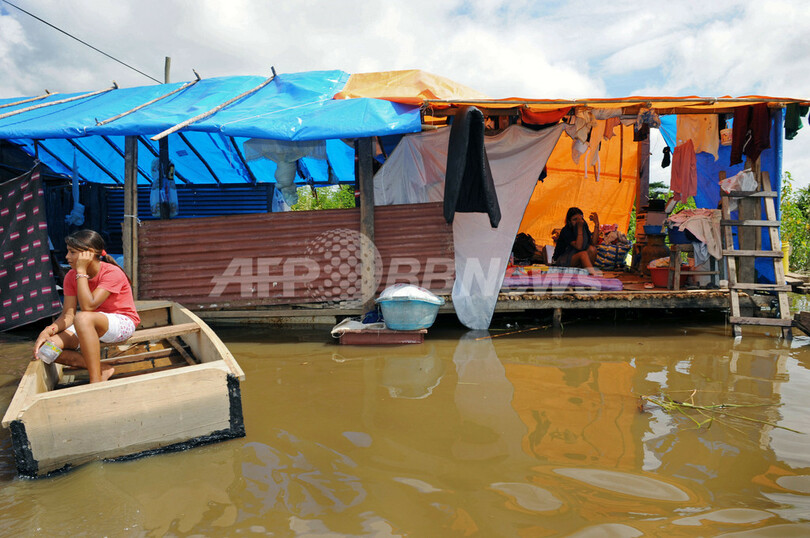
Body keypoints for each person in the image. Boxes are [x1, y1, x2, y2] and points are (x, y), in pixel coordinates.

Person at [33, 230, 140, 383]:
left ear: (88, 254)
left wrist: (81, 271)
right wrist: (48, 331)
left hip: (122, 323)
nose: (67, 257)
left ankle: (95, 381)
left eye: (72, 252)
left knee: (83, 317)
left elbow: (88, 306)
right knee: (47, 350)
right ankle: (102, 369)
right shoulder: (71, 276)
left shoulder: (112, 273)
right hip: (88, 324)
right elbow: (68, 315)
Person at [552, 207, 601, 275]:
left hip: (574, 256)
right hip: (562, 259)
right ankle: (593, 275)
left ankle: (586, 272)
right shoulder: (566, 230)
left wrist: (597, 224)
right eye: (575, 219)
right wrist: (580, 228)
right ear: (569, 221)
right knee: (583, 254)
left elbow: (594, 243)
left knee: (592, 249)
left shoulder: (584, 226)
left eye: (580, 219)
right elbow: (579, 247)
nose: (578, 222)